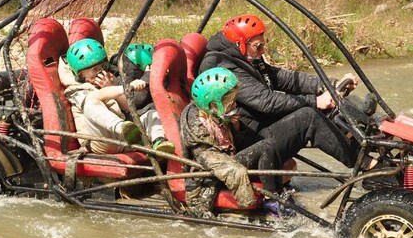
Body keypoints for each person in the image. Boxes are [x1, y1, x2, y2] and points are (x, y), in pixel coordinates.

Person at [198, 14, 361, 169]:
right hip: (250, 141)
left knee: (331, 108)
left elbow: (284, 79)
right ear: (239, 43)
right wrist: (315, 101)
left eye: (263, 44)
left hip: (262, 125)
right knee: (309, 117)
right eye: (258, 46)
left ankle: (369, 135)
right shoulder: (221, 66)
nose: (262, 51)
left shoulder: (246, 57)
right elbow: (265, 101)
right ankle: (368, 166)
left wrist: (329, 84)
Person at [179, 67, 290, 218]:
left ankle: (276, 194)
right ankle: (270, 200)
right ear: (213, 105)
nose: (234, 106)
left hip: (226, 160)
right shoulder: (198, 130)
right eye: (230, 104)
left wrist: (236, 127)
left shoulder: (217, 116)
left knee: (269, 144)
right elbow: (216, 162)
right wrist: (247, 198)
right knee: (267, 145)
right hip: (213, 175)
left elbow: (235, 145)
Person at [60, 38, 174, 155]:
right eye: (95, 69)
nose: (101, 72)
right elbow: (97, 96)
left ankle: (159, 141)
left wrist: (113, 86)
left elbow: (130, 109)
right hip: (100, 142)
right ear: (81, 74)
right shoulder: (76, 90)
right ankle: (124, 129)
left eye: (103, 66)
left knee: (151, 113)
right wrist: (121, 88)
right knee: (91, 104)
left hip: (124, 139)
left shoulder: (110, 81)